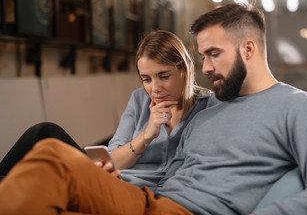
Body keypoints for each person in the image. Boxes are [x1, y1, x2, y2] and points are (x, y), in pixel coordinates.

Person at [0, 3, 307, 215]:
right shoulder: (209, 109)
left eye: (213, 54)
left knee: (53, 157)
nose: (205, 67)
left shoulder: (300, 107)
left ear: (248, 49)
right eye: (202, 56)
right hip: (148, 201)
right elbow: (169, 173)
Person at [0, 30, 219, 190]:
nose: (155, 88)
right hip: (109, 179)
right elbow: (111, 158)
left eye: (164, 76)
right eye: (146, 79)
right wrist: (147, 135)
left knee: (41, 169)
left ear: (184, 69)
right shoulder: (139, 100)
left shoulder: (208, 107)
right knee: (43, 134)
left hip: (133, 192)